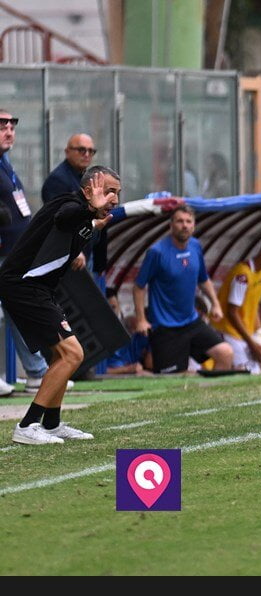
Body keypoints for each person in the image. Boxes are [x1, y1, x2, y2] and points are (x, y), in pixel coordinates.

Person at [0, 166, 120, 444]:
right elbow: (65, 217)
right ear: (89, 189)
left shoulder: (84, 213)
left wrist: (93, 224)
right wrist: (91, 211)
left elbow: (70, 233)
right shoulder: (69, 204)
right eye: (109, 190)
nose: (114, 198)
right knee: (72, 354)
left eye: (117, 193)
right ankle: (28, 425)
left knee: (63, 355)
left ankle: (51, 424)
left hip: (38, 289)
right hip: (23, 286)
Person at [133, 205, 233, 374]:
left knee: (225, 353)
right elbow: (138, 287)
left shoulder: (196, 246)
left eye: (188, 221)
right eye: (180, 221)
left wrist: (215, 304)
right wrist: (141, 320)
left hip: (191, 321)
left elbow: (203, 279)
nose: (184, 225)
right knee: (174, 379)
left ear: (194, 225)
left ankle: (215, 398)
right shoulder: (157, 252)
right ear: (170, 225)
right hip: (165, 327)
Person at [0, 108, 50, 393]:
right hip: (3, 252)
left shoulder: (5, 163)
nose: (9, 131)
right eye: (2, 125)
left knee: (18, 311)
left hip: (14, 254)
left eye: (12, 126)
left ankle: (36, 371)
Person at [212, 237, 261, 373]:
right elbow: (232, 312)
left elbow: (254, 306)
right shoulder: (242, 275)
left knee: (257, 371)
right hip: (228, 332)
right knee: (249, 373)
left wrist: (260, 335)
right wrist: (252, 343)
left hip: (243, 336)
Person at [41, 134, 108, 289]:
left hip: (87, 253)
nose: (86, 154)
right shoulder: (58, 180)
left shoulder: (87, 178)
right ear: (67, 151)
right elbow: (59, 220)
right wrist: (74, 250)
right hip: (73, 258)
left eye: (91, 151)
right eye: (81, 150)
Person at [102, 288, 151, 375]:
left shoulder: (134, 330)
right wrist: (127, 369)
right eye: (107, 308)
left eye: (114, 307)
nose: (112, 312)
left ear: (119, 307)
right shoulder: (101, 338)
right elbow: (98, 372)